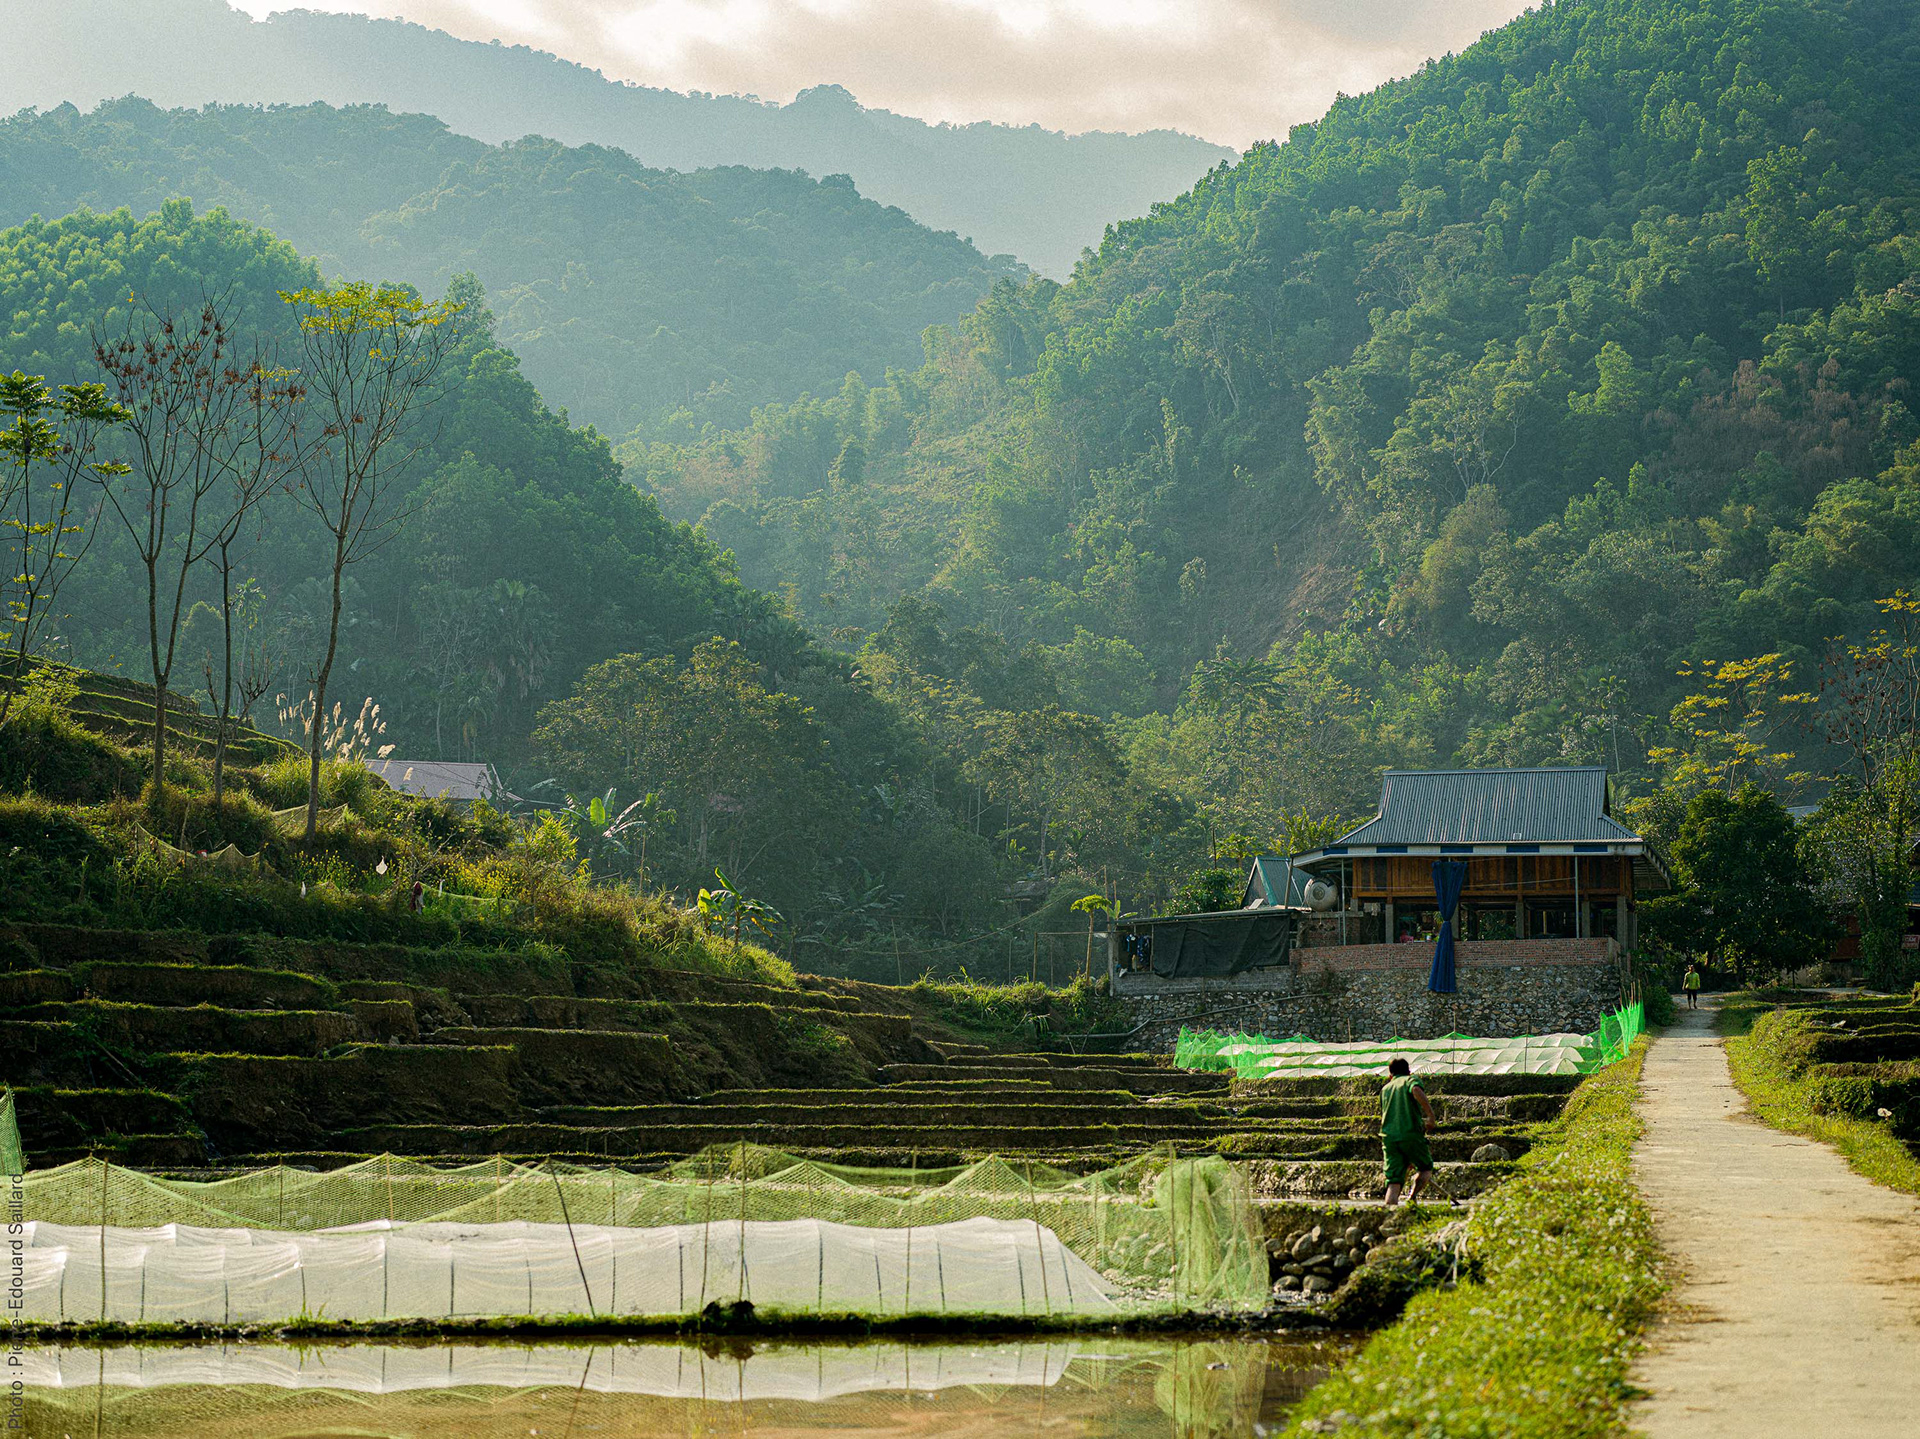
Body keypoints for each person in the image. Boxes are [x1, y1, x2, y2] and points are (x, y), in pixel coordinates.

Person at [1380, 1057, 1435, 1207]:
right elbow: (1416, 1090)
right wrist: (1430, 1116)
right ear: (1409, 1072)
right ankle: (1411, 1198)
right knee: (1425, 1168)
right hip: (1410, 1134)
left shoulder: (1385, 1089)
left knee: (1394, 1181)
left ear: (1390, 1075)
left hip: (1389, 1138)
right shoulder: (1410, 1081)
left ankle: (1390, 1214)